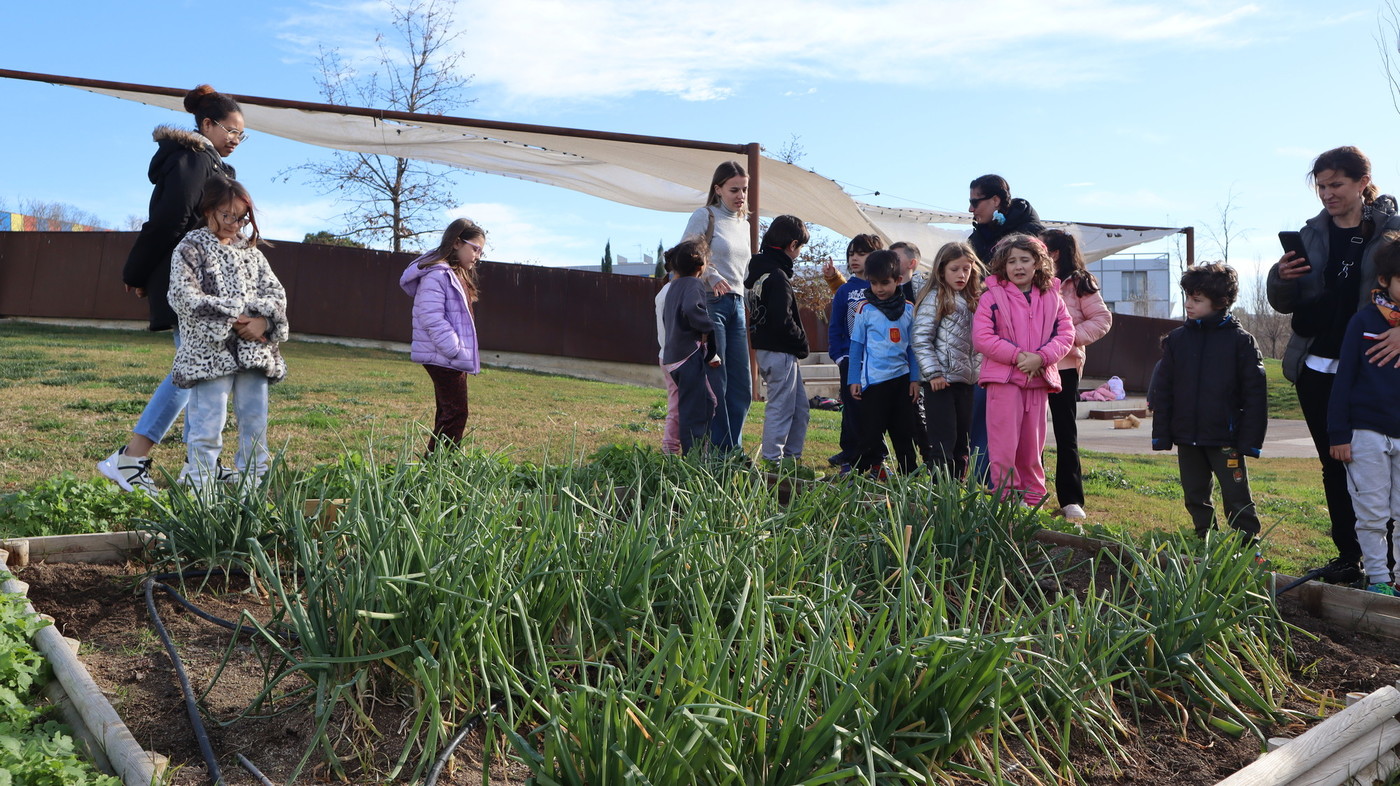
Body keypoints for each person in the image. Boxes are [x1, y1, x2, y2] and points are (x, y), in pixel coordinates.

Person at [98, 84, 244, 495]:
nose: (236, 140)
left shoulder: (210, 164)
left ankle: (199, 464)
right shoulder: (192, 160)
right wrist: (139, 272)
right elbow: (169, 222)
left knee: (202, 370)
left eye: (241, 134)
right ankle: (130, 458)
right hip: (190, 281)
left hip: (203, 280)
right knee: (195, 369)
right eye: (231, 131)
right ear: (208, 124)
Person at [1268, 146, 1400, 583]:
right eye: (1321, 186)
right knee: (1333, 463)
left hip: (1375, 369)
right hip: (1316, 367)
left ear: (1363, 182)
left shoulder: (1393, 232)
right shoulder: (1310, 234)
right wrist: (1280, 279)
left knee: (1384, 468)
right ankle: (1349, 558)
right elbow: (1285, 302)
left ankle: (1389, 566)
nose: (1327, 194)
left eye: (1336, 184)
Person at [167, 179, 287, 489]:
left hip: (254, 352)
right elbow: (183, 296)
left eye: (242, 217)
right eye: (227, 215)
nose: (235, 224)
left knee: (255, 424)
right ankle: (200, 492)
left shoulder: (251, 252)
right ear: (208, 210)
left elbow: (275, 294)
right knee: (207, 424)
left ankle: (254, 490)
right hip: (210, 353)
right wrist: (236, 316)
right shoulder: (191, 246)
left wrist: (263, 322)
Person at [1151, 263, 1266, 541]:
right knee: (1194, 494)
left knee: (1237, 496)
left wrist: (1250, 440)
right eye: (1187, 297)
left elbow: (1255, 396)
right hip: (1187, 437)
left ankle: (1248, 546)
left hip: (1225, 438)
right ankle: (1205, 538)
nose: (1189, 304)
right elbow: (1163, 392)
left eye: (1197, 300)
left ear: (1221, 302)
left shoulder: (1241, 342)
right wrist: (1162, 435)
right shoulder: (1177, 341)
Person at [972, 234, 1073, 505]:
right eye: (1012, 261)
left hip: (1038, 381)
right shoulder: (991, 297)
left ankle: (1033, 501)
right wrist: (1019, 357)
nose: (1018, 266)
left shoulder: (1053, 297)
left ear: (1038, 264)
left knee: (1032, 447)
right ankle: (1004, 499)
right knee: (1003, 446)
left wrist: (1041, 358)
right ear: (1002, 265)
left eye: (1025, 260)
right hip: (1004, 380)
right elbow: (982, 337)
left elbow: (1065, 334)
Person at [1327, 232, 1400, 595]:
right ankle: (1379, 579)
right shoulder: (1363, 322)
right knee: (1372, 512)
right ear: (1385, 281)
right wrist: (1338, 434)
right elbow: (1344, 380)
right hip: (1366, 432)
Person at [1041, 229, 1113, 520]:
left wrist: (1068, 340)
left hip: (1065, 366)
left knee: (1065, 433)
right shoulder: (1034, 281)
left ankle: (1071, 500)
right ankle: (1032, 492)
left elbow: (1102, 319)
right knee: (1031, 434)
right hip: (1032, 365)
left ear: (1055, 253)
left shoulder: (1080, 282)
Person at [682, 161, 752, 452]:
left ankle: (729, 449)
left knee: (743, 387)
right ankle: (713, 453)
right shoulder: (705, 216)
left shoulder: (745, 224)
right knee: (716, 383)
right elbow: (685, 254)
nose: (741, 195)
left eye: (745, 189)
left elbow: (743, 271)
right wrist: (711, 274)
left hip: (737, 305)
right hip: (711, 302)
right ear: (718, 189)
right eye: (734, 189)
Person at [399, 218, 485, 454]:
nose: (477, 255)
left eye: (481, 251)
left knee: (449, 411)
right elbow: (430, 316)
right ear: (457, 243)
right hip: (443, 355)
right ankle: (440, 466)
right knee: (456, 412)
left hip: (447, 355)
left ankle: (436, 467)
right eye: (475, 248)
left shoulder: (454, 274)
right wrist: (454, 349)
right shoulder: (437, 275)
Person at [913, 242, 983, 479]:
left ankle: (956, 495)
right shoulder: (936, 297)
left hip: (967, 381)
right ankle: (938, 497)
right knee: (943, 443)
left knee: (962, 444)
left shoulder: (974, 299)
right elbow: (921, 338)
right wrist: (934, 374)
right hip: (940, 383)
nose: (962, 274)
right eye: (955, 269)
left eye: (966, 268)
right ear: (941, 270)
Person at [745, 215, 811, 467]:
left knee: (800, 408)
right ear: (792, 245)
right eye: (800, 247)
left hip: (768, 349)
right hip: (780, 351)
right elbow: (781, 319)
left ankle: (791, 460)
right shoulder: (777, 276)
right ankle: (773, 462)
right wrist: (802, 342)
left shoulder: (757, 269)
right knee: (781, 408)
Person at [847, 250, 920, 476]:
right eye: (874, 283)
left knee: (903, 431)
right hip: (874, 381)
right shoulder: (864, 308)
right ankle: (859, 473)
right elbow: (856, 346)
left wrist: (915, 378)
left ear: (898, 280)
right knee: (870, 431)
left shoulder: (909, 309)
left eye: (885, 283)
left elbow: (912, 347)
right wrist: (853, 379)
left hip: (901, 380)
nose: (879, 289)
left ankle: (909, 475)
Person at [827, 234, 885, 470]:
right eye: (851, 254)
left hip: (879, 362)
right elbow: (836, 326)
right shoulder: (845, 291)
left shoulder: (882, 288)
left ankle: (876, 458)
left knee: (875, 410)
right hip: (851, 360)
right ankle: (850, 457)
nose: (854, 258)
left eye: (861, 253)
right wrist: (839, 356)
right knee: (852, 408)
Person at [661, 237, 723, 455]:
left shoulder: (673, 286)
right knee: (695, 411)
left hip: (672, 357)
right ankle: (695, 459)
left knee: (706, 402)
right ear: (701, 266)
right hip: (687, 357)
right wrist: (708, 327)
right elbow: (691, 308)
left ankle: (697, 454)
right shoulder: (694, 284)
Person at [967, 175, 1046, 274]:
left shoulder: (1033, 234)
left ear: (995, 200)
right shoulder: (976, 239)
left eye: (974, 202)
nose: (970, 209)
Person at [654, 262, 681, 455]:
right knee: (678, 407)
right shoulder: (676, 291)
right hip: (677, 357)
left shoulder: (664, 291)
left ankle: (669, 449)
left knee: (675, 405)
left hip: (665, 355)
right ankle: (670, 449)